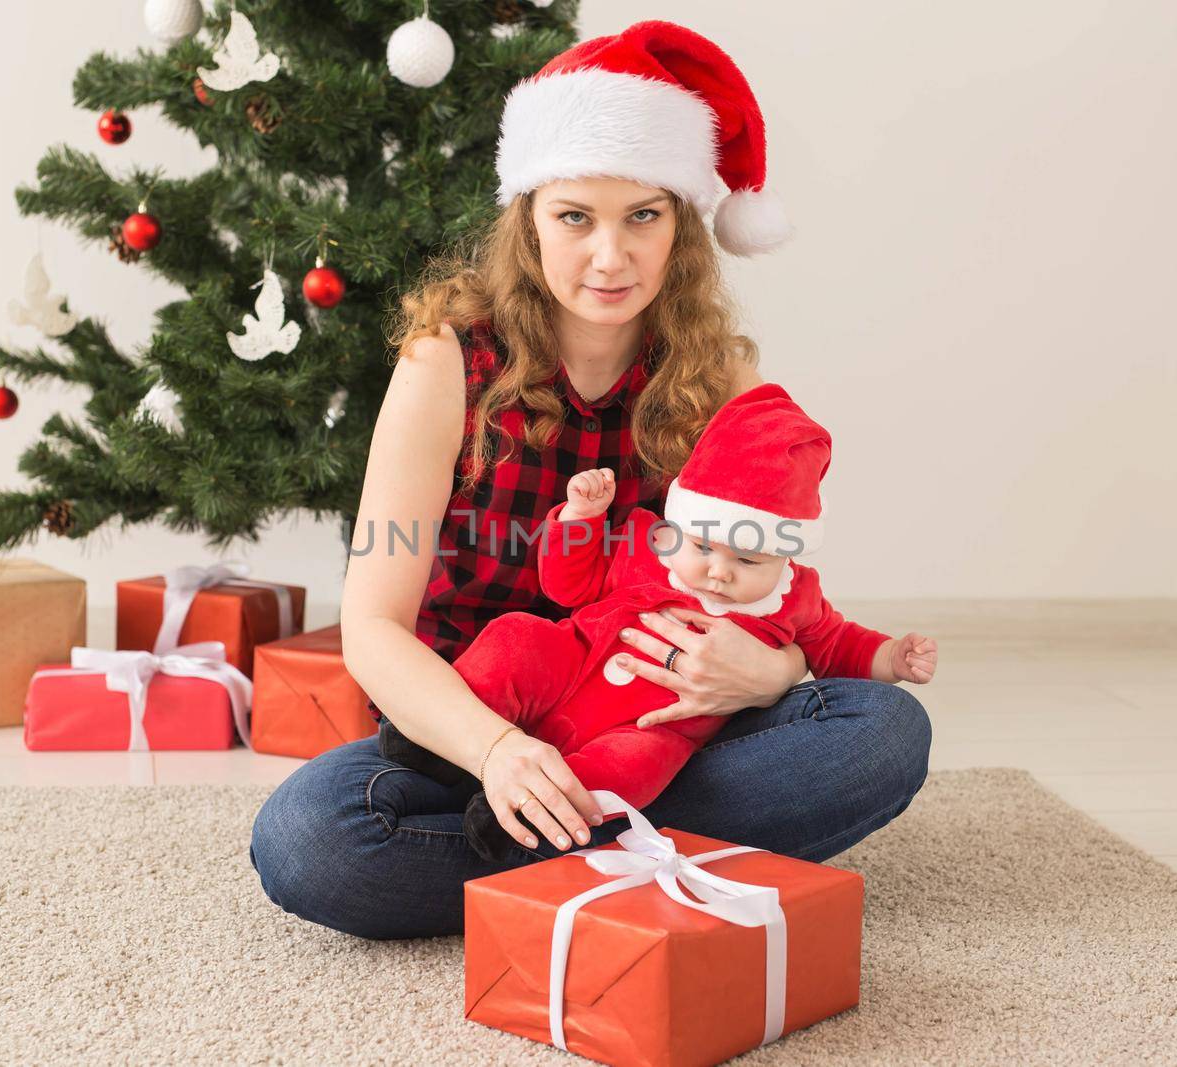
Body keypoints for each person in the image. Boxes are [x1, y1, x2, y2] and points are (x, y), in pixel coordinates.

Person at [249, 19, 932, 940]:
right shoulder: (443, 364)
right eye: (575, 217)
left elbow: (781, 600)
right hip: (470, 730)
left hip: (652, 729)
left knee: (883, 730)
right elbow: (373, 628)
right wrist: (499, 751)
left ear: (681, 226)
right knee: (308, 839)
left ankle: (553, 855)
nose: (610, 257)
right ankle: (624, 853)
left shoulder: (719, 380)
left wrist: (770, 672)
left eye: (642, 216)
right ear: (528, 218)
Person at [376, 382, 939, 860]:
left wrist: (889, 657)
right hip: (571, 665)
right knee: (515, 639)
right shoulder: (650, 544)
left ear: (786, 555)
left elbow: (835, 645)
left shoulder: (795, 599)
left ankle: (530, 828)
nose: (718, 573)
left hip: (652, 727)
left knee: (634, 770)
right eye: (704, 547)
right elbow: (567, 584)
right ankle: (439, 746)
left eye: (747, 561)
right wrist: (580, 520)